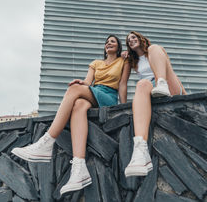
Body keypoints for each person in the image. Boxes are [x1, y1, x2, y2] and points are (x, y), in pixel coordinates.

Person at [12, 35, 130, 195]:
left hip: (109, 95)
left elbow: (122, 84)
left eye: (113, 41)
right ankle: (79, 167)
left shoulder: (123, 61)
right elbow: (88, 82)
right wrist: (81, 84)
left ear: (118, 47)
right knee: (79, 104)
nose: (109, 43)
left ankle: (47, 142)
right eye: (107, 42)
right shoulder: (96, 63)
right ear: (104, 47)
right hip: (95, 91)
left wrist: (123, 107)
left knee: (73, 90)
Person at [123, 31, 186, 177]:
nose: (131, 40)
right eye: (128, 40)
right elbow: (122, 82)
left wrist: (185, 94)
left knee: (154, 48)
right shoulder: (133, 61)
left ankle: (161, 82)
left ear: (140, 38)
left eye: (133, 37)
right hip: (152, 88)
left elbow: (173, 73)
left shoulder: (155, 51)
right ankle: (140, 149)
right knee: (141, 84)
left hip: (167, 84)